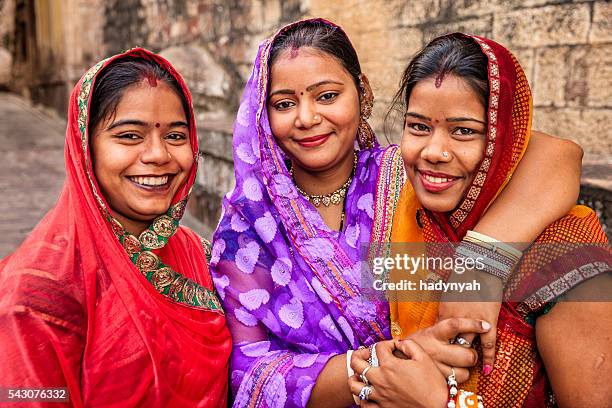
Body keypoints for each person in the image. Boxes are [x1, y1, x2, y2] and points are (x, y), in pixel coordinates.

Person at [211, 19, 585, 407]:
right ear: (262, 114)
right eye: (284, 104)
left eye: (326, 96)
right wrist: (376, 368)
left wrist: (483, 263)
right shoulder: (248, 225)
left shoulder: (411, 177)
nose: (306, 118)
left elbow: (557, 155)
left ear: (362, 91)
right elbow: (247, 372)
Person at [348, 33, 611, 407]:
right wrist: (378, 368)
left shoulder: (563, 256)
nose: (434, 152)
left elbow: (561, 154)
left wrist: (436, 403)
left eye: (464, 131)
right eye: (418, 126)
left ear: (504, 140)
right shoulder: (395, 195)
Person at [0, 48, 231, 406]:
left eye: (175, 136)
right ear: (85, 148)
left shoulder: (199, 254)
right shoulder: (36, 293)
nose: (158, 155)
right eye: (129, 136)